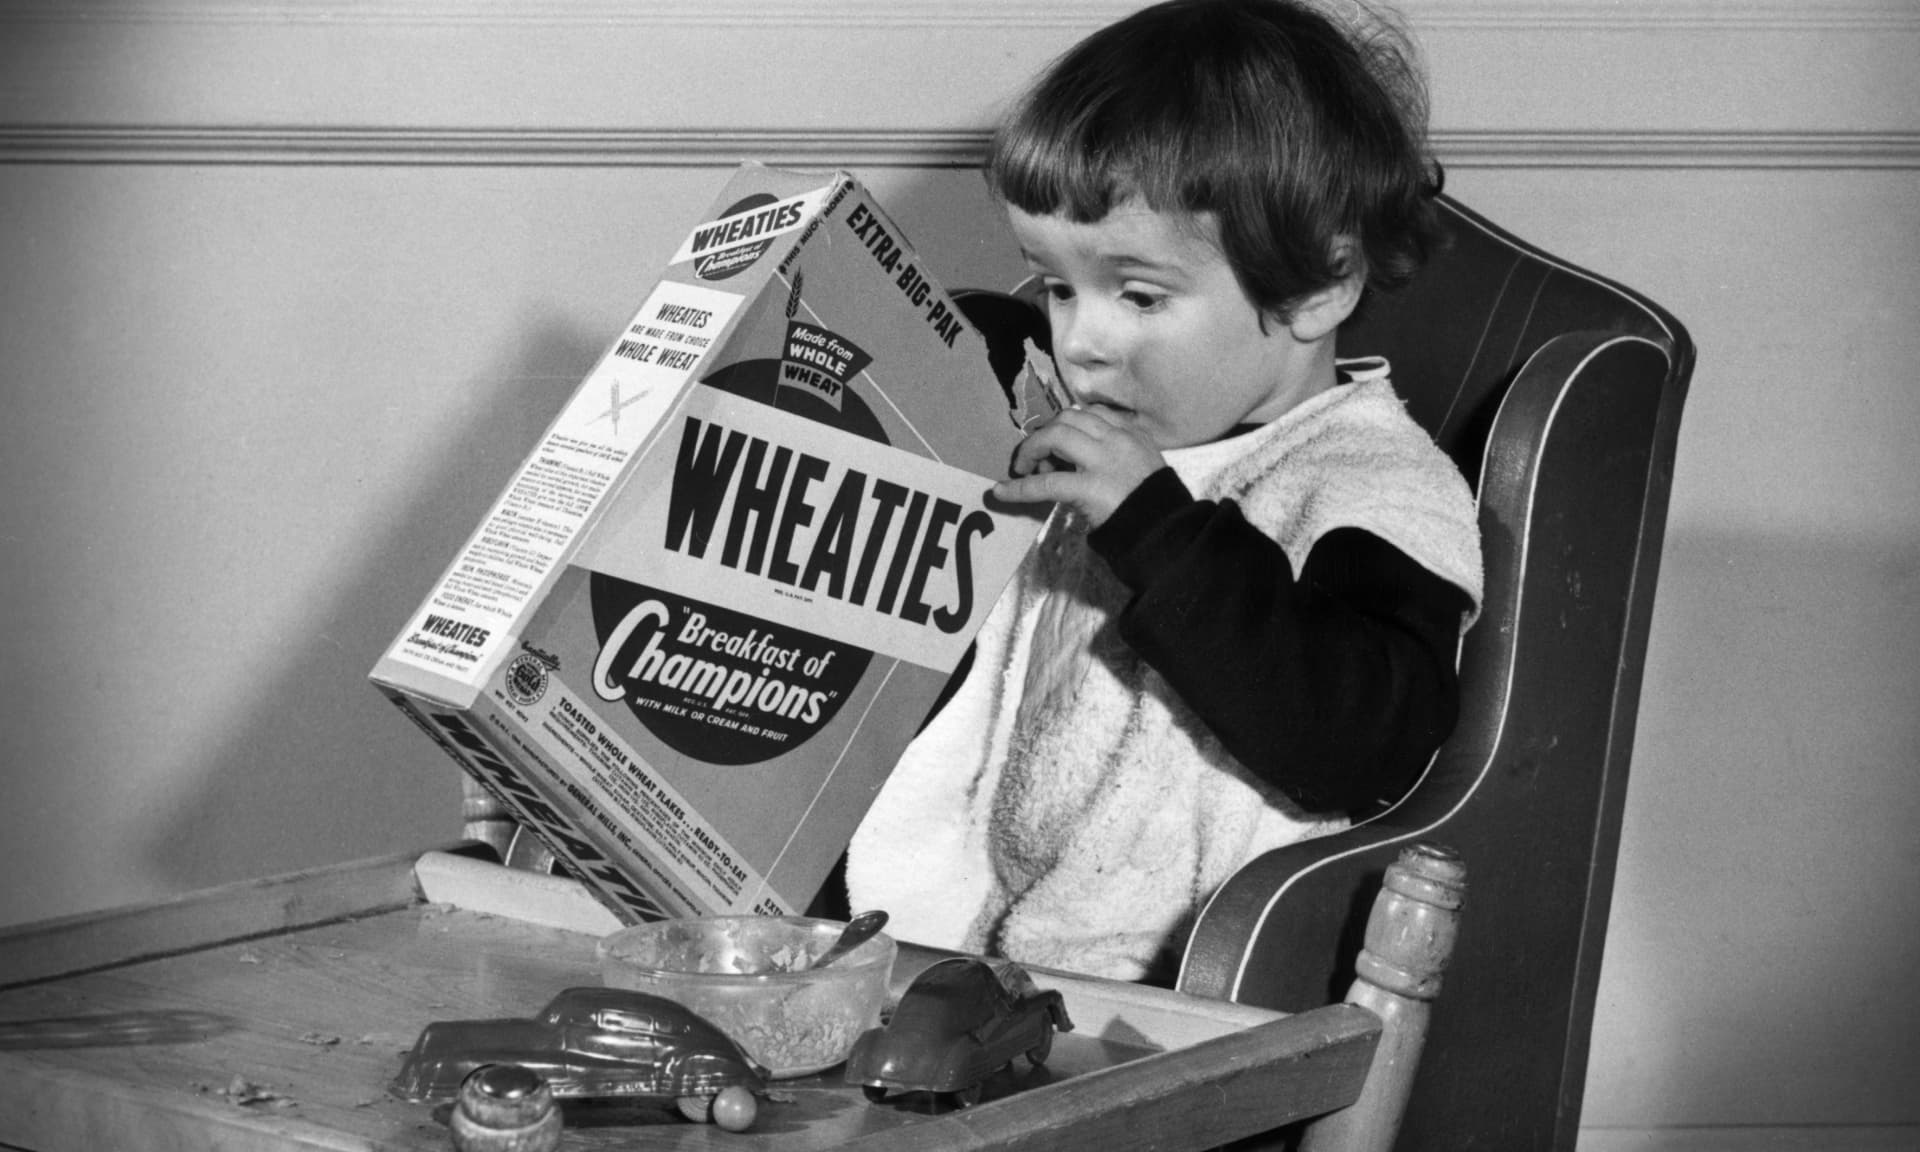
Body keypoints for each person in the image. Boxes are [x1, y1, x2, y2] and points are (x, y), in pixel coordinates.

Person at [845, 0, 1484, 983]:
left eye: (1138, 295)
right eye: (1058, 287)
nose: (1081, 341)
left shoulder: (1372, 483)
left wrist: (1155, 525)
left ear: (1319, 286)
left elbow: (1361, 744)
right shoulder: (1097, 429)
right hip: (976, 952)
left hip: (1194, 992)